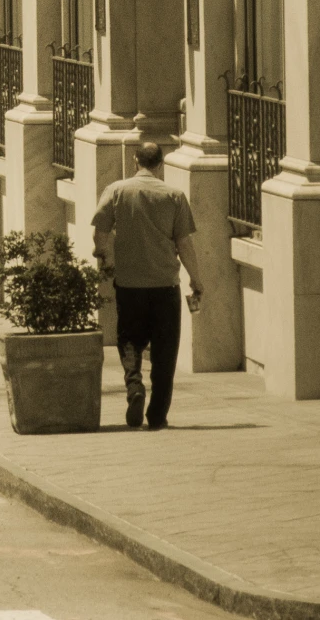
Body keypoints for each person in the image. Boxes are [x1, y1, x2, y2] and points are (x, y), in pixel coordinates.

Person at [89, 140, 204, 430]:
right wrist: (196, 279)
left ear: (135, 160)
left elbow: (100, 231)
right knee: (166, 352)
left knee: (129, 340)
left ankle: (134, 386)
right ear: (160, 164)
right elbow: (184, 243)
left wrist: (102, 257)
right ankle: (157, 415)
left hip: (129, 284)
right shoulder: (175, 196)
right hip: (165, 285)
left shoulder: (116, 190)